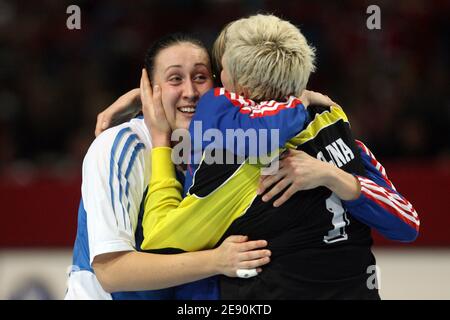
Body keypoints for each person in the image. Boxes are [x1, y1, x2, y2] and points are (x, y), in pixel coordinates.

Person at [135, 14, 419, 299]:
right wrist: (336, 176)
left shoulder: (236, 157)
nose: (210, 88)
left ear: (240, 89)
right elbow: (408, 225)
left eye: (218, 73)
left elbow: (160, 238)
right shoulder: (333, 122)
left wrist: (160, 143)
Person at [65, 34, 273, 300]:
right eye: (175, 79)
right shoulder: (120, 147)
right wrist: (217, 261)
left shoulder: (220, 147)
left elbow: (274, 92)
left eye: (200, 78)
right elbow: (111, 272)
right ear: (150, 89)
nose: (190, 91)